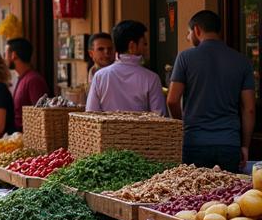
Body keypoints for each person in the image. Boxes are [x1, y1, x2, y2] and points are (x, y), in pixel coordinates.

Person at [167, 10, 255, 172]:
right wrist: (245, 145)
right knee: (228, 194)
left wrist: (183, 126)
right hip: (229, 143)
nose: (188, 38)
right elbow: (249, 109)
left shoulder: (185, 58)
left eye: (188, 32)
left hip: (194, 142)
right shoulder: (242, 61)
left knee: (193, 194)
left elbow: (172, 100)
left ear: (197, 30)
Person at [85, 20, 167, 116]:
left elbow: (91, 113)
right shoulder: (151, 78)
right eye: (144, 44)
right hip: (141, 131)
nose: (146, 48)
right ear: (132, 46)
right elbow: (160, 117)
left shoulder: (100, 76)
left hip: (108, 131)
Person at [5, 38, 49, 130]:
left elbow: (41, 115)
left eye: (5, 54)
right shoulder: (23, 78)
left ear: (13, 55)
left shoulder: (33, 80)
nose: (4, 58)